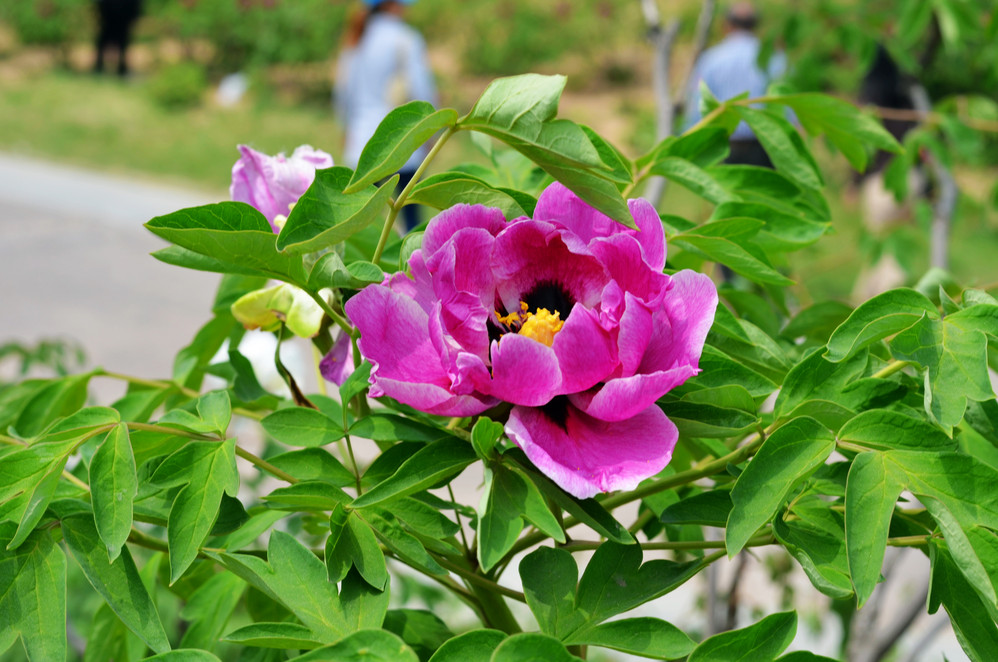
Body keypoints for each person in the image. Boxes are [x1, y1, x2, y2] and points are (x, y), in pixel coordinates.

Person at [335, 0, 437, 231]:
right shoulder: (406, 38)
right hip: (401, 146)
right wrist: (432, 134)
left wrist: (346, 128)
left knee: (360, 226)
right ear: (391, 5)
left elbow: (343, 94)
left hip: (363, 149)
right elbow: (423, 93)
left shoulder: (356, 38)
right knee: (411, 221)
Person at [684, 2, 786, 167]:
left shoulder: (710, 59)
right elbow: (784, 102)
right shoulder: (774, 59)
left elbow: (697, 102)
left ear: (726, 25)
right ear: (755, 25)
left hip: (726, 144)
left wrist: (689, 141)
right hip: (766, 143)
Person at [93, 0, 143, 77]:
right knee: (107, 40)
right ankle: (99, 67)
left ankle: (121, 67)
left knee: (122, 42)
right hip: (109, 14)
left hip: (122, 15)